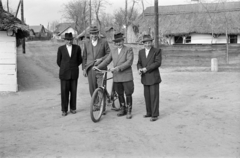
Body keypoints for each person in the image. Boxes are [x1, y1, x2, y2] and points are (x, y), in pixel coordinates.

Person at [94, 33, 134, 119]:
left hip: (126, 76)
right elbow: (107, 61)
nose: (118, 43)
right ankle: (123, 108)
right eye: (116, 42)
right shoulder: (113, 51)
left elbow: (129, 62)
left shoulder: (129, 49)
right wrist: (97, 67)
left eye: (120, 41)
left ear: (123, 41)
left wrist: (118, 68)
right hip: (117, 76)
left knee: (128, 93)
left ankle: (129, 111)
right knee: (120, 94)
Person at [137, 34, 162, 122]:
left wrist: (146, 69)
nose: (147, 44)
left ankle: (155, 114)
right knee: (147, 96)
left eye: (149, 42)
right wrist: (139, 69)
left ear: (151, 42)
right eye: (145, 43)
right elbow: (139, 63)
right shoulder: (140, 52)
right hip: (145, 77)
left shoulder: (157, 51)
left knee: (154, 96)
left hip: (153, 77)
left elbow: (157, 63)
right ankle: (149, 112)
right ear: (143, 43)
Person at [57, 33, 82, 116]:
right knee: (64, 92)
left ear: (73, 40)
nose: (69, 41)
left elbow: (79, 60)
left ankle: (73, 108)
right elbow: (58, 61)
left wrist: (73, 66)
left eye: (71, 39)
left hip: (74, 73)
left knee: (74, 92)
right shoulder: (61, 49)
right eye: (67, 40)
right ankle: (64, 110)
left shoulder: (77, 48)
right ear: (65, 40)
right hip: (64, 74)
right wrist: (65, 67)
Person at [82, 26, 110, 96]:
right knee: (92, 88)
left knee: (101, 87)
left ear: (98, 33)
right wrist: (84, 69)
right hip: (90, 68)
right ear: (90, 34)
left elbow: (109, 54)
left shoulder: (104, 42)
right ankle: (94, 104)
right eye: (92, 34)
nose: (94, 35)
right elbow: (84, 57)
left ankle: (101, 104)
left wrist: (101, 59)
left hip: (101, 68)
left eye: (95, 33)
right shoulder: (86, 43)